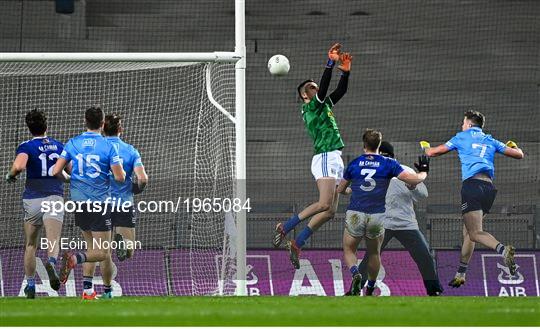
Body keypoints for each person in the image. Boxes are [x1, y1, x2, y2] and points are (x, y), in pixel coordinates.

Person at [421, 110, 524, 288]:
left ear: (468, 124)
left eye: (463, 123)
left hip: (472, 187)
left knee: (475, 233)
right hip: (489, 189)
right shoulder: (490, 139)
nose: (462, 126)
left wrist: (424, 147)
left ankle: (502, 250)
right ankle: (461, 273)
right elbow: (519, 155)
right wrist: (514, 146)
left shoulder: (462, 136)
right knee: (469, 233)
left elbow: (433, 153)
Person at [272, 43, 352, 269]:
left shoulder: (323, 105)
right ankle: (285, 227)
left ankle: (297, 243)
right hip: (325, 155)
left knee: (330, 211)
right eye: (312, 88)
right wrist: (330, 64)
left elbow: (340, 91)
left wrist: (345, 72)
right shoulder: (311, 108)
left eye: (316, 87)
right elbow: (326, 89)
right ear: (304, 95)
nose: (316, 89)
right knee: (324, 202)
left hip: (335, 156)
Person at [337, 129, 430, 296]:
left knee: (349, 250)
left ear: (364, 144)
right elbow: (414, 180)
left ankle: (355, 273)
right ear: (378, 145)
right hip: (377, 216)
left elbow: (340, 189)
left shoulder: (355, 163)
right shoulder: (388, 164)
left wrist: (349, 191)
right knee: (374, 252)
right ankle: (371, 287)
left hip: (355, 213)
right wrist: (423, 172)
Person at [53, 106, 125, 299]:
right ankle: (75, 258)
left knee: (92, 245)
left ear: (85, 121)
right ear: (102, 124)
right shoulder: (109, 146)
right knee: (103, 252)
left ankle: (87, 291)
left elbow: (55, 171)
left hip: (78, 201)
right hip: (99, 202)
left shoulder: (73, 143)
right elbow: (119, 177)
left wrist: (71, 178)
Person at [356, 141, 443, 296]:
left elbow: (423, 194)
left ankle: (434, 290)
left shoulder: (405, 170)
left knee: (425, 257)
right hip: (382, 224)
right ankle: (355, 290)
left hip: (406, 225)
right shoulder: (371, 174)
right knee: (369, 258)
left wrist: (412, 185)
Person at [5, 109, 68, 298]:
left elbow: (19, 166)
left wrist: (10, 176)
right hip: (54, 197)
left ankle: (31, 285)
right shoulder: (58, 145)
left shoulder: (26, 146)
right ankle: (51, 262)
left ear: (29, 128)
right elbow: (70, 170)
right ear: (46, 126)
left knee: (31, 244)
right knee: (53, 240)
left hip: (32, 199)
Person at [103, 114, 148, 260]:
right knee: (130, 251)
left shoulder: (97, 150)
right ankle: (125, 243)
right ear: (120, 129)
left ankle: (105, 283)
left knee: (104, 253)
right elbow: (143, 179)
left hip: (101, 204)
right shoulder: (130, 150)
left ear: (103, 129)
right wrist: (138, 188)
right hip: (124, 204)